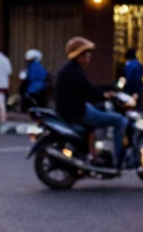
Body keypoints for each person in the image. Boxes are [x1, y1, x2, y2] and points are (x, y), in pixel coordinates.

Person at [54, 37, 126, 169]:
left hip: (75, 108)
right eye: (86, 53)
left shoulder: (72, 69)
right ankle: (117, 160)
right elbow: (90, 91)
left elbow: (90, 88)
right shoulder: (74, 72)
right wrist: (104, 95)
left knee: (100, 111)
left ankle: (96, 150)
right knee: (119, 120)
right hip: (77, 112)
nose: (89, 56)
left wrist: (106, 91)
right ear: (78, 56)